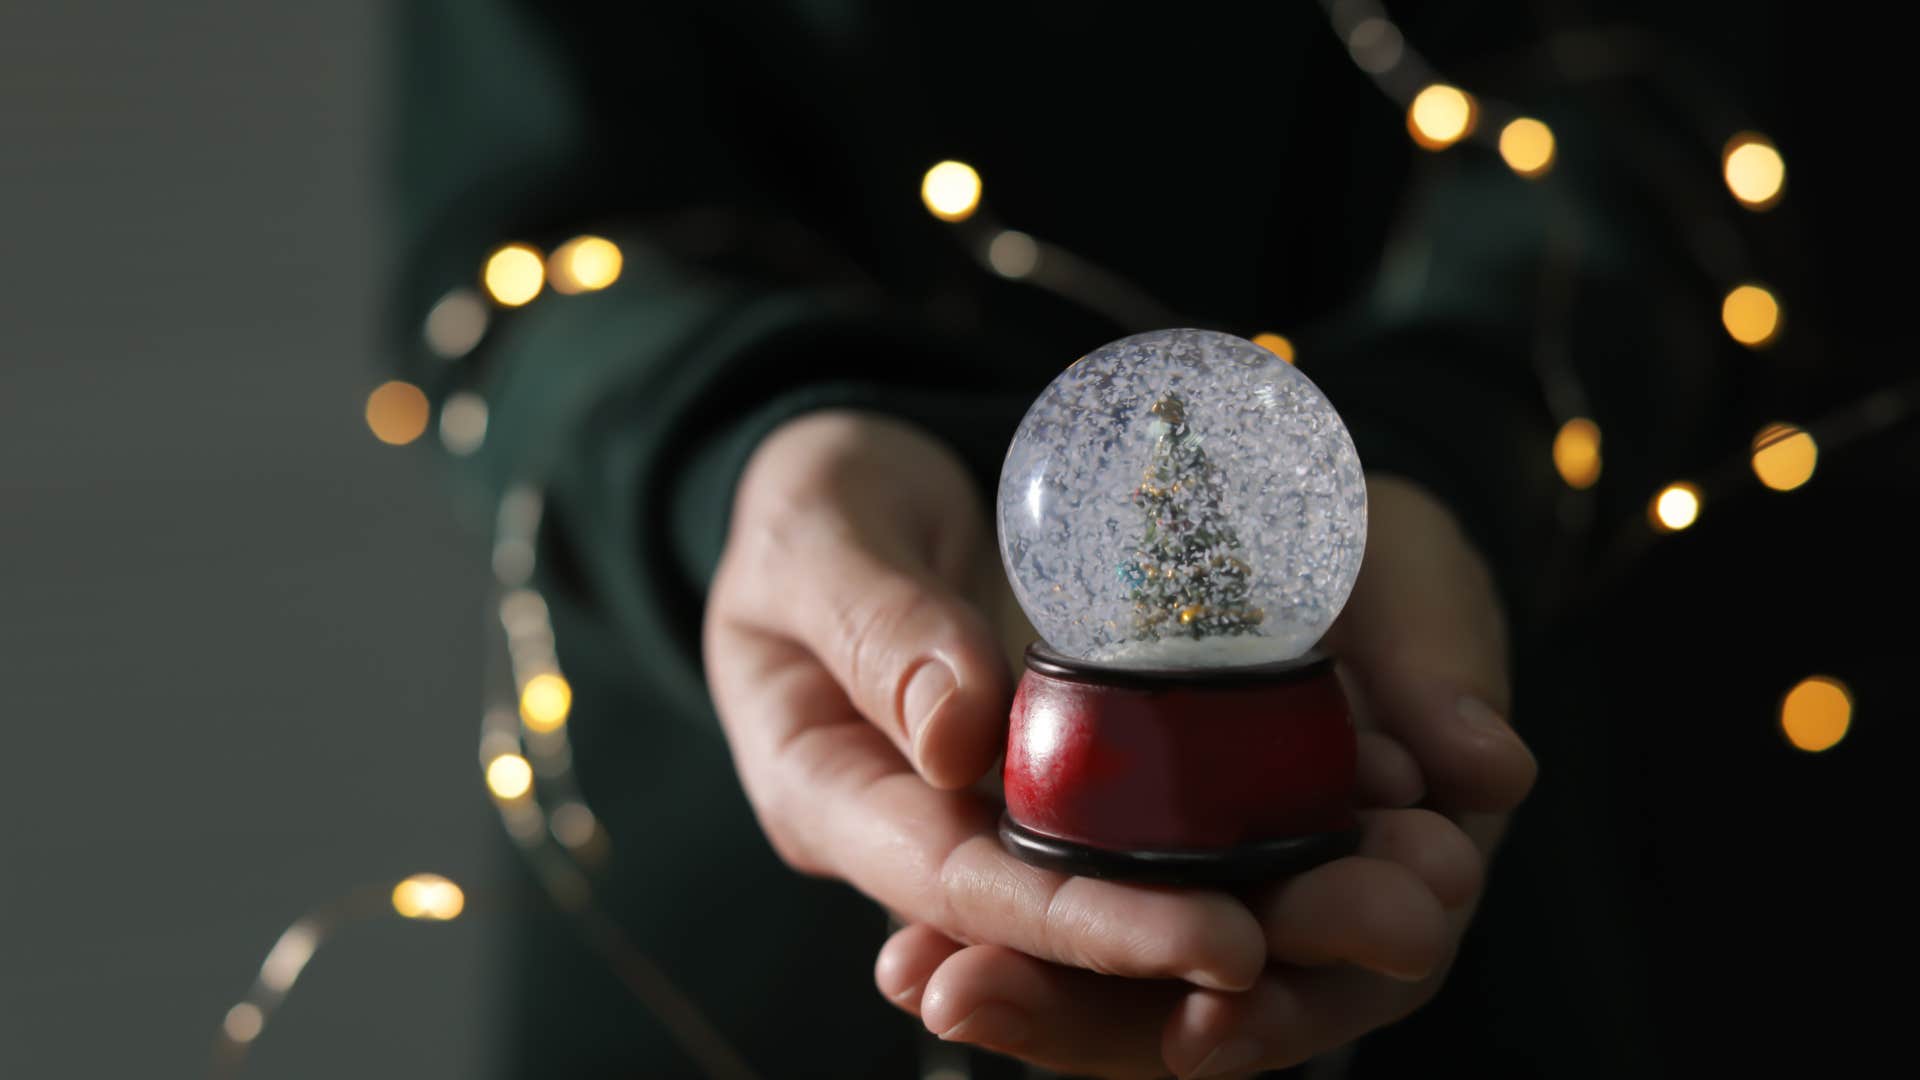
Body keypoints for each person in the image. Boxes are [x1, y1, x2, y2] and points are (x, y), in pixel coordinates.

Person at [392, 2, 1889, 1076]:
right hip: (745, 927)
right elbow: (522, 230)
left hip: (1564, 799)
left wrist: (1455, 432)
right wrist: (750, 444)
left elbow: (1712, 93)